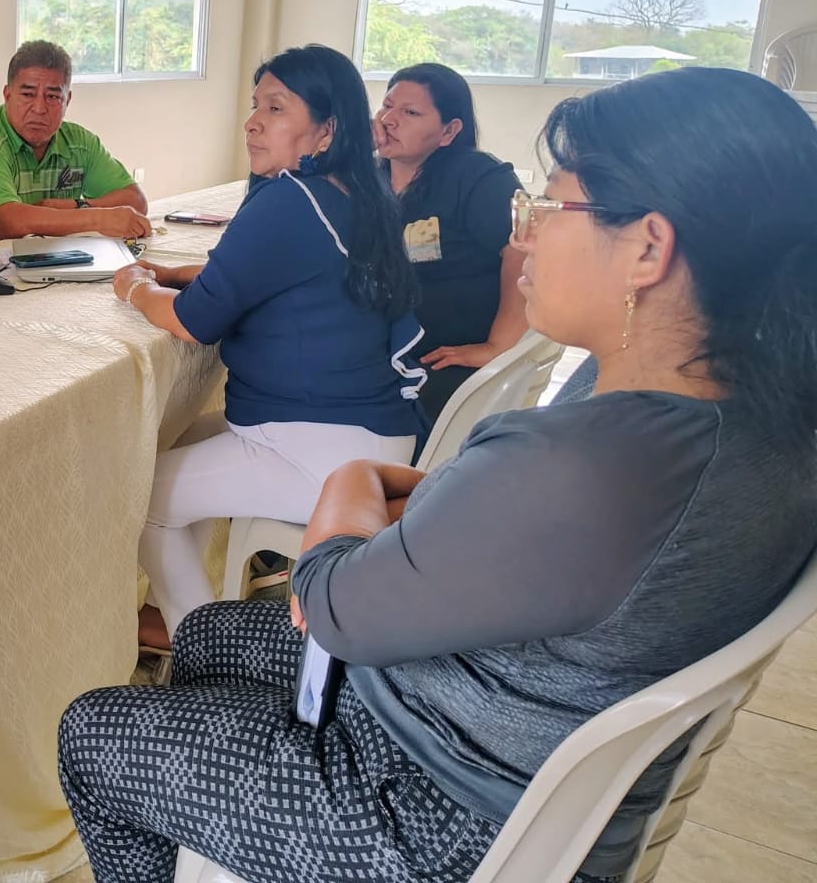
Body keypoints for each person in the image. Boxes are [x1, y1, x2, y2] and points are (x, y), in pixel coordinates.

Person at [59, 66, 817, 883]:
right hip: (502, 736)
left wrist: (351, 482)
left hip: (436, 811)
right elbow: (536, 533)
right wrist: (431, 494)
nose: (523, 239)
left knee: (93, 730)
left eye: (547, 209)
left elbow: (330, 606)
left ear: (647, 247)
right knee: (210, 633)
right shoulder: (745, 417)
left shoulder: (584, 464)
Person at [111, 45, 425, 645]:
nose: (253, 122)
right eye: (256, 105)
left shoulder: (290, 200)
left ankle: (205, 647)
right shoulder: (353, 192)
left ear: (327, 130)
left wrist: (135, 287)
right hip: (366, 435)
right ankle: (177, 607)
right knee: (181, 439)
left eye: (276, 108)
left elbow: (192, 322)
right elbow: (271, 275)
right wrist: (183, 276)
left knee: (140, 495)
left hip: (320, 450)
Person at [374, 63, 526, 419]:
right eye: (386, 106)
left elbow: (523, 250)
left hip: (443, 359)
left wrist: (498, 346)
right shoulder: (366, 180)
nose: (389, 120)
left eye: (410, 113)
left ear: (449, 131)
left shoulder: (479, 178)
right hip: (377, 351)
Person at [0, 40, 151, 244]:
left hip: (55, 257)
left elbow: (136, 202)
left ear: (67, 100)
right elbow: (9, 222)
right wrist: (98, 219)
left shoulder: (79, 142)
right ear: (7, 95)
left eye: (52, 97)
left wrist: (77, 206)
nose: (39, 108)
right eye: (27, 94)